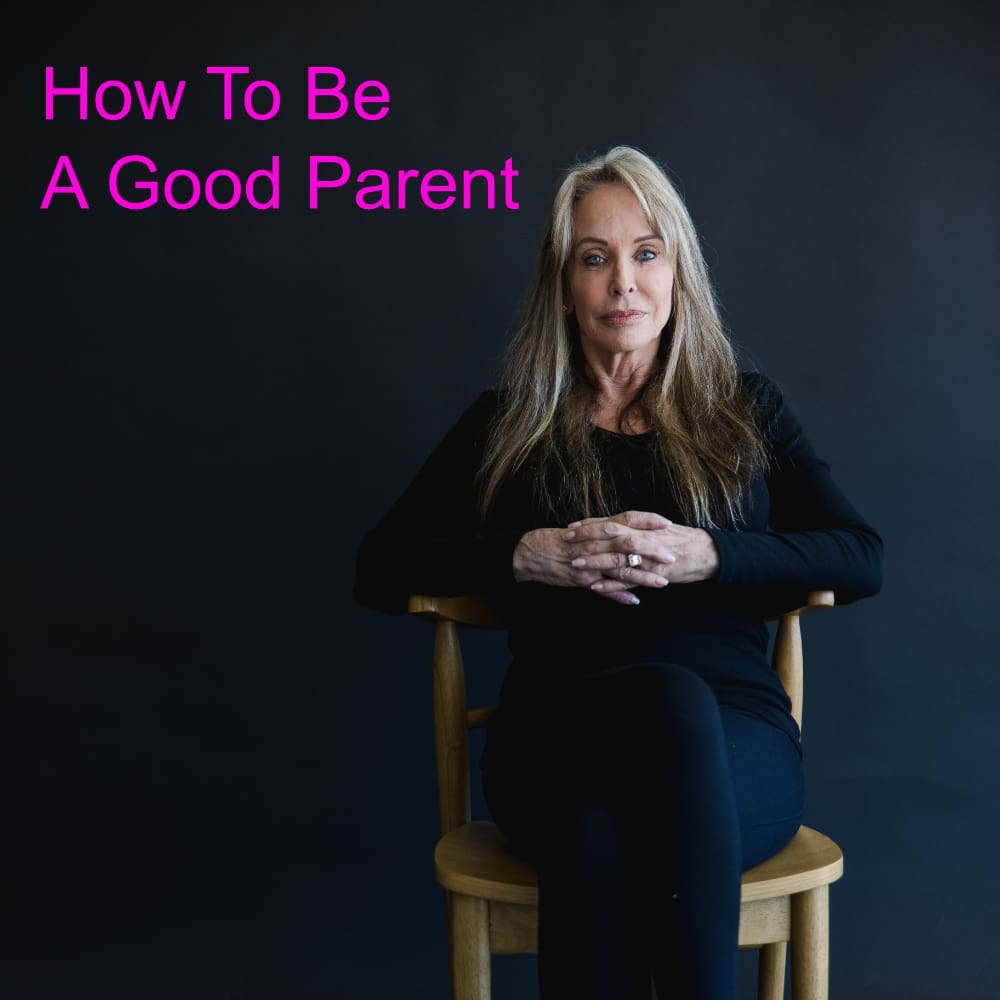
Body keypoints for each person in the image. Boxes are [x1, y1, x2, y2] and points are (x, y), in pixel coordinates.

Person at [354, 145, 882, 1000]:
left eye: (646, 254)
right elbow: (380, 565)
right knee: (628, 745)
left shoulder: (745, 411)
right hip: (559, 733)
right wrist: (528, 555)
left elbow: (860, 555)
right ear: (563, 284)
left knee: (607, 813)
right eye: (593, 259)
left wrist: (706, 555)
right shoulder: (510, 423)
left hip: (730, 743)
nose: (622, 284)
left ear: (679, 271)